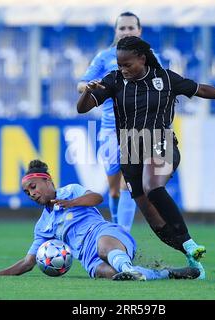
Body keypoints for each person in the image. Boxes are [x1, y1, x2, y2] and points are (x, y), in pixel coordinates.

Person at [76, 36, 215, 279]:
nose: (123, 69)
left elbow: (201, 89)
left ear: (142, 59)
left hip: (161, 142)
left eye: (127, 64)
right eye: (119, 65)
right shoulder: (114, 80)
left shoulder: (165, 78)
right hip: (130, 151)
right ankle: (193, 262)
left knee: (153, 187)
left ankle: (189, 243)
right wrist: (88, 91)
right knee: (157, 223)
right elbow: (82, 108)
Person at [0, 159, 200, 281]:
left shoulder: (70, 191)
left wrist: (71, 203)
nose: (31, 193)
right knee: (108, 274)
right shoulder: (43, 226)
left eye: (33, 187)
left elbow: (96, 197)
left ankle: (129, 268)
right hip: (87, 258)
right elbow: (28, 262)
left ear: (47, 181)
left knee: (104, 248)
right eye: (27, 192)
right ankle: (164, 274)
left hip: (107, 235)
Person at [77, 12, 155, 232]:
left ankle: (122, 236)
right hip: (111, 130)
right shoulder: (104, 57)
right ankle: (116, 226)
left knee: (128, 185)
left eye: (131, 28)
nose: (127, 32)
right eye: (122, 28)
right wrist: (91, 86)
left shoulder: (151, 57)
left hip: (138, 131)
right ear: (116, 31)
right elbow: (81, 85)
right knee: (114, 190)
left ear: (139, 31)